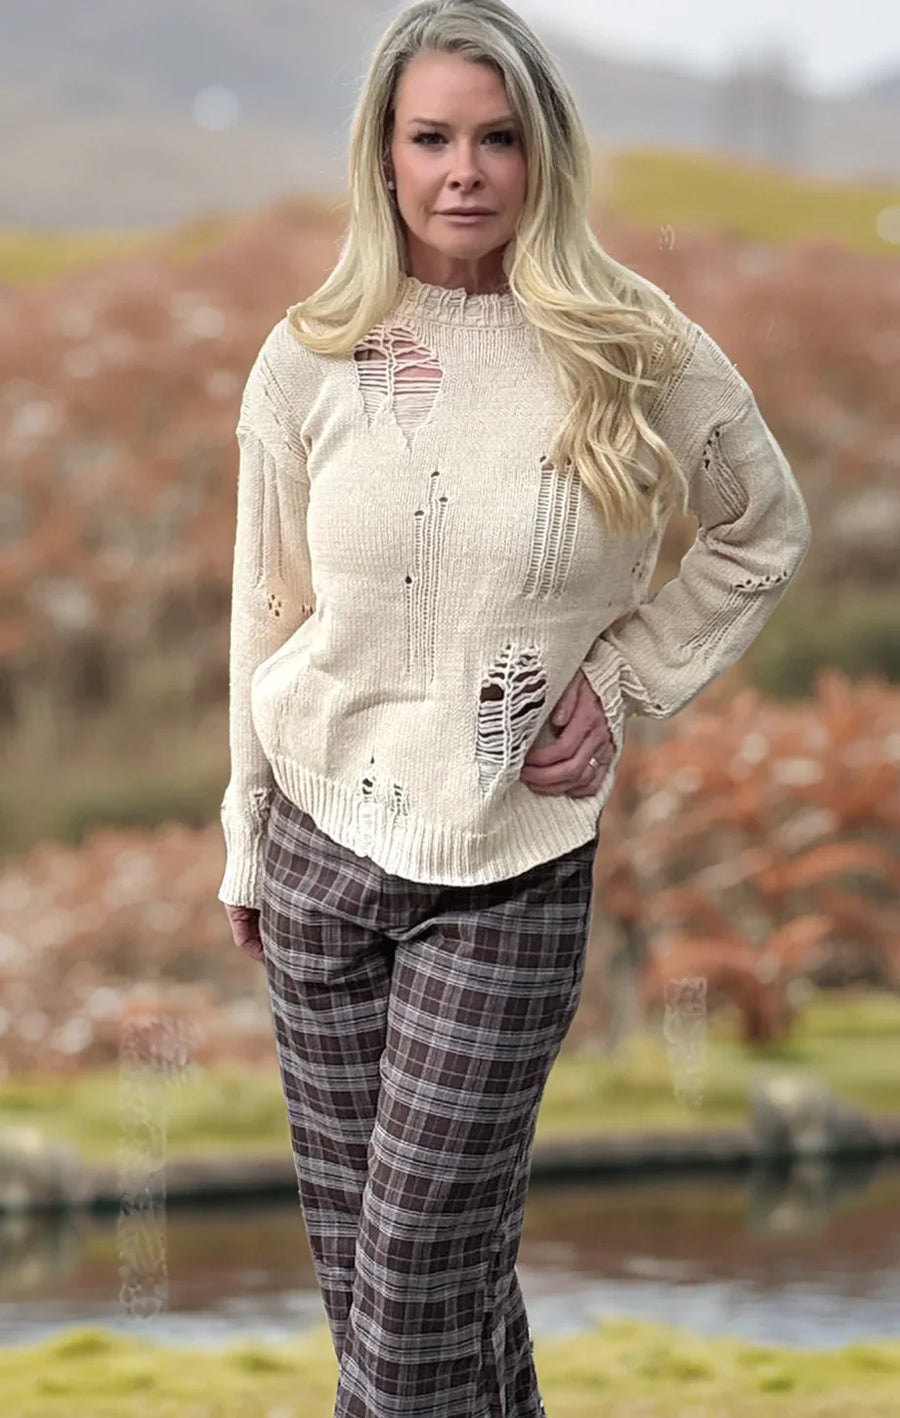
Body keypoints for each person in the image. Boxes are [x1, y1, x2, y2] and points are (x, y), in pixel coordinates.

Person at [218, 1, 812, 1413]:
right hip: (316, 848)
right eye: (431, 138)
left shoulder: (633, 343)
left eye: (497, 138)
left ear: (544, 153)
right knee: (408, 1288)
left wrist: (622, 677)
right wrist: (245, 834)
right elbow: (264, 611)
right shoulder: (315, 351)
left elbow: (761, 529)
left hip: (510, 862)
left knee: (417, 1275)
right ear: (385, 154)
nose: (464, 171)